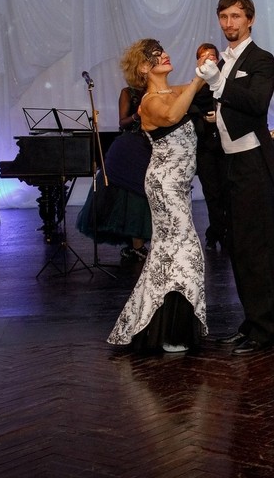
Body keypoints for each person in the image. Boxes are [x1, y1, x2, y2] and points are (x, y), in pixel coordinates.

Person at [196, 0, 274, 356]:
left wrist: (220, 84)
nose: (229, 23)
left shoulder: (261, 59)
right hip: (228, 163)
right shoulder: (220, 61)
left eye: (236, 16)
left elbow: (256, 103)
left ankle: (267, 331)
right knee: (240, 249)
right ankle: (251, 324)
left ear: (250, 20)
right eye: (224, 17)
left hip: (254, 161)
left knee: (259, 249)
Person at [107, 38, 208, 354]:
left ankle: (155, 329)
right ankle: (166, 330)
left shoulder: (172, 91)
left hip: (178, 186)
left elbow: (194, 93)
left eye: (162, 51)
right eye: (154, 55)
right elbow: (173, 116)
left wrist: (209, 71)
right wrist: (197, 81)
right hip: (165, 186)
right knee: (186, 251)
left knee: (167, 256)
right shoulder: (150, 101)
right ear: (142, 67)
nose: (164, 55)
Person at [76, 80, 153, 263]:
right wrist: (137, 115)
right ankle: (135, 245)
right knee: (131, 196)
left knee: (144, 195)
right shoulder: (128, 92)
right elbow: (123, 123)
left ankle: (138, 244)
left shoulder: (157, 91)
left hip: (150, 148)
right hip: (129, 149)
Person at [190, 42, 229, 251]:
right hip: (204, 145)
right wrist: (204, 118)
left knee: (226, 190)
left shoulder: (224, 81)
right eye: (204, 57)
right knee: (211, 192)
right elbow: (188, 108)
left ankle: (224, 232)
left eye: (212, 56)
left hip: (225, 144)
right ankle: (215, 232)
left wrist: (219, 116)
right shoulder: (195, 85)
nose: (209, 60)